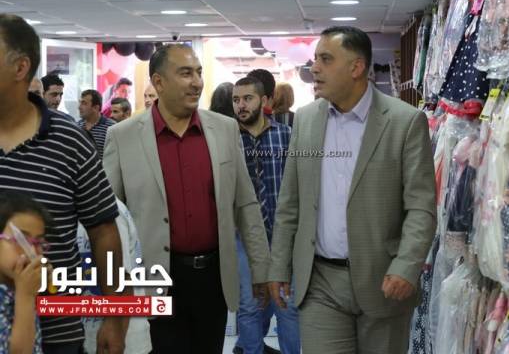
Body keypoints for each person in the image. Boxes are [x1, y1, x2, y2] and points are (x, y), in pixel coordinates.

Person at [268, 26, 436, 354]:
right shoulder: (306, 120)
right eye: (315, 59)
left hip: (383, 280)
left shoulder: (405, 122)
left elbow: (421, 207)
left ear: (357, 67)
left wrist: (407, 264)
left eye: (326, 59)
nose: (314, 68)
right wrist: (279, 265)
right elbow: (290, 201)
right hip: (320, 282)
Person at [103, 44, 271, 354]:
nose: (196, 82)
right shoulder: (123, 136)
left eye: (199, 72)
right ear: (159, 82)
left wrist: (261, 269)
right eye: (185, 73)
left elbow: (246, 204)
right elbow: (111, 219)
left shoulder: (224, 129)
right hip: (154, 277)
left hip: (212, 278)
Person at [0, 13, 126, 354]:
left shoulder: (68, 140)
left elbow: (104, 231)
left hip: (56, 329)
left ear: (20, 67)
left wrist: (115, 316)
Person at [232, 77, 300, 354]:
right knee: (249, 306)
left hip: (282, 234)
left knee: (287, 306)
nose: (241, 105)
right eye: (236, 100)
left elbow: (297, 186)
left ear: (263, 101)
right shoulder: (229, 140)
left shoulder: (285, 136)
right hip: (244, 238)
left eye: (247, 98)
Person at [77, 198, 152, 354]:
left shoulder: (108, 213)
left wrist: (116, 339)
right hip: (90, 336)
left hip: (122, 342)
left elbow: (123, 282)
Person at [0, 191, 49, 354]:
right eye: (20, 240)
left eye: (39, 242)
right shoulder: (24, 293)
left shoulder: (18, 289)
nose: (32, 252)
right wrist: (26, 296)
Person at [78, 89, 116, 159]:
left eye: (84, 103)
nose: (79, 107)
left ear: (96, 108)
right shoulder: (77, 126)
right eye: (80, 103)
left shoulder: (111, 127)